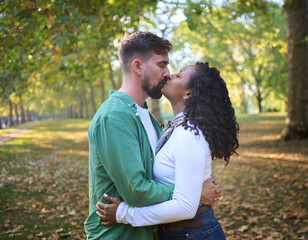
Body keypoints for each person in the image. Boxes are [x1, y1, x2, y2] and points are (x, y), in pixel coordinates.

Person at [84, 32, 221, 240]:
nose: (167, 73)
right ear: (138, 66)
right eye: (161, 65)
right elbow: (136, 190)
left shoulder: (146, 116)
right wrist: (194, 194)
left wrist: (190, 193)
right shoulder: (115, 116)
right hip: (118, 235)